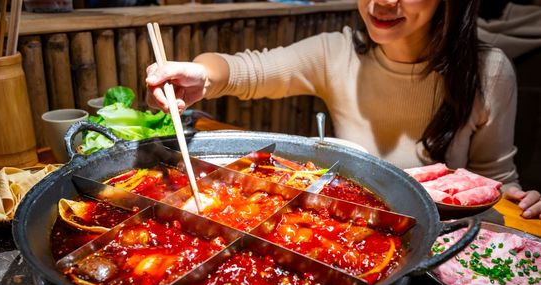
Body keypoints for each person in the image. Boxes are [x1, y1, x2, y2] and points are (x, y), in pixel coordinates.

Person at [146, 0, 541, 219]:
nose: (384, 2)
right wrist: (200, 75)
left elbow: (495, 176)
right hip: (348, 216)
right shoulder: (336, 52)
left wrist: (523, 201)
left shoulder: (489, 72)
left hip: (439, 234)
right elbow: (242, 69)